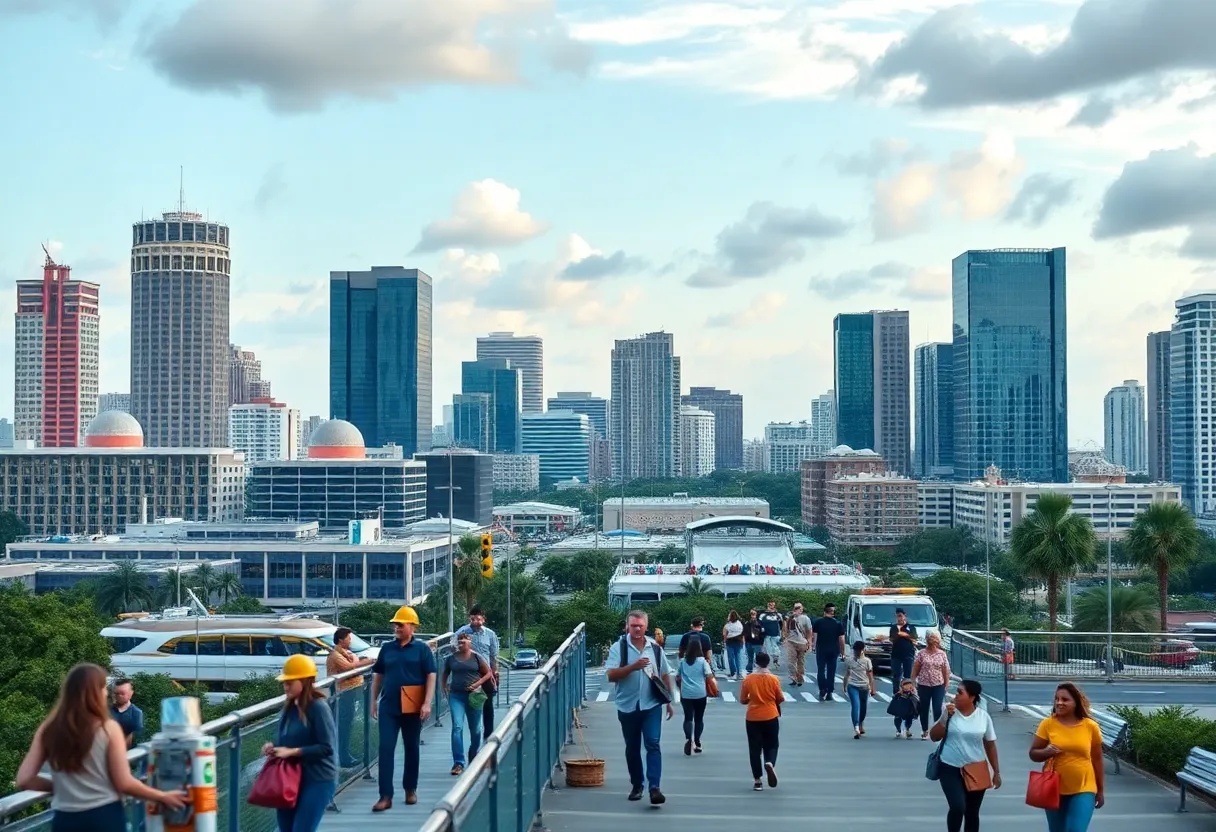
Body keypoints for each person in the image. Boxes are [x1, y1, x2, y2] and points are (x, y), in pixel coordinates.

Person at [17, 663, 186, 832]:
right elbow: (124, 783)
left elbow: (24, 779)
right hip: (103, 817)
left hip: (65, 819)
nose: (106, 693)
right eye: (104, 688)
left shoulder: (48, 729)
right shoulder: (108, 728)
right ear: (95, 692)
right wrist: (162, 796)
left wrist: (62, 786)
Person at [370, 605, 437, 811]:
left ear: (412, 627)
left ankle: (410, 789)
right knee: (386, 748)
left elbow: (431, 675)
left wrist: (427, 702)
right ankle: (385, 795)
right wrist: (373, 700)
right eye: (395, 625)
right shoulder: (387, 648)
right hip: (389, 706)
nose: (397, 628)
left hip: (412, 706)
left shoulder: (422, 649)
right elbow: (378, 674)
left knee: (411, 748)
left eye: (400, 624)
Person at [606, 610, 675, 805]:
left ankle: (655, 787)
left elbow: (664, 674)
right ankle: (637, 785)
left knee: (653, 743)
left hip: (651, 704)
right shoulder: (619, 648)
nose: (637, 629)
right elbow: (610, 675)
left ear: (646, 626)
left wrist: (668, 701)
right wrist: (632, 667)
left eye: (641, 626)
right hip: (627, 705)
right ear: (627, 626)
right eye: (633, 625)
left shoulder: (654, 648)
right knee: (633, 747)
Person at [263, 655, 339, 832]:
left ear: (305, 681)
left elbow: (326, 748)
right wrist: (273, 747)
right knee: (286, 828)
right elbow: (287, 740)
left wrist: (292, 752)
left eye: (290, 682)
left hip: (317, 779)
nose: (285, 686)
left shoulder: (318, 708)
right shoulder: (289, 707)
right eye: (285, 682)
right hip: (290, 779)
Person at [1029, 682, 1105, 832]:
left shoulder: (1090, 726)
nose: (1059, 703)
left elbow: (1097, 759)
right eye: (1057, 699)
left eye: (1065, 699)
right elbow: (1033, 753)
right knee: (1057, 829)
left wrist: (1100, 790)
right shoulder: (1048, 724)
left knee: (1075, 829)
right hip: (1053, 787)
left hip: (1084, 787)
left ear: (1076, 702)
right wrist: (1046, 752)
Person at [929, 679, 1001, 832]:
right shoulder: (950, 713)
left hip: (976, 768)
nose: (956, 696)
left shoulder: (983, 717)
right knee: (957, 807)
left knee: (972, 813)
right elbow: (934, 736)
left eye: (960, 693)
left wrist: (996, 772)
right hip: (950, 767)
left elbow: (990, 744)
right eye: (957, 692)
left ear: (972, 697)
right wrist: (945, 718)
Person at [441, 632, 494, 775]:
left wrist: (477, 683)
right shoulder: (451, 658)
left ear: (470, 641)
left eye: (463, 641)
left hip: (474, 695)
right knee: (457, 727)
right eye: (459, 641)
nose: (460, 643)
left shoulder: (476, 657)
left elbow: (488, 673)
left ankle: (474, 754)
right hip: (456, 695)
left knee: (475, 729)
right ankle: (458, 763)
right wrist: (444, 687)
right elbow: (445, 673)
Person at [325, 627, 375, 768]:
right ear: (341, 640)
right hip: (342, 694)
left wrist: (357, 661)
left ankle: (345, 755)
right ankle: (343, 758)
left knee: (347, 725)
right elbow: (349, 667)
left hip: (350, 693)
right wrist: (367, 661)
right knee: (343, 726)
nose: (350, 640)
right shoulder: (335, 655)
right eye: (348, 638)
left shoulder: (347, 653)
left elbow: (353, 663)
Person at [455, 606, 501, 741]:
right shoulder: (463, 632)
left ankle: (488, 736)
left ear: (483, 619)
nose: (476, 622)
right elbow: (452, 647)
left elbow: (493, 656)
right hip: (470, 674)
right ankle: (474, 736)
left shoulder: (490, 634)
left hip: (486, 673)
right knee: (472, 706)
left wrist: (495, 672)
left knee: (488, 705)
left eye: (478, 619)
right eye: (473, 619)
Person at [739, 651, 782, 792]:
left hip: (752, 717)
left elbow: (743, 699)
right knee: (772, 744)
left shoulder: (748, 679)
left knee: (754, 749)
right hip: (770, 715)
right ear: (768, 663)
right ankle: (769, 763)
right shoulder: (774, 679)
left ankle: (757, 781)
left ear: (756, 663)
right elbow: (780, 698)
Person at [675, 638, 713, 755]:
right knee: (699, 719)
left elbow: (677, 677)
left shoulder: (683, 662)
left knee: (688, 718)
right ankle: (697, 742)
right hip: (700, 693)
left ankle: (688, 739)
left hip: (686, 694)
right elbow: (709, 676)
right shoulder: (702, 662)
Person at [913, 631, 951, 739]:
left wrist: (946, 684)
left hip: (938, 684)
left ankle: (937, 730)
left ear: (938, 641)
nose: (932, 641)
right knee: (923, 708)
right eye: (930, 638)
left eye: (934, 639)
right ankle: (925, 730)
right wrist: (912, 681)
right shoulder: (921, 653)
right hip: (923, 684)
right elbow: (916, 668)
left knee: (937, 708)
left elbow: (946, 670)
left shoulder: (942, 654)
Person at [841, 640, 877, 738]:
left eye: (859, 650)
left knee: (863, 708)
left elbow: (870, 676)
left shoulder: (867, 661)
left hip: (864, 687)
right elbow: (847, 674)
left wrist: (873, 688)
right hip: (853, 686)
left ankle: (860, 723)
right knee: (856, 705)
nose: (857, 652)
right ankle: (856, 727)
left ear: (863, 650)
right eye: (856, 650)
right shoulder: (849, 660)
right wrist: (844, 685)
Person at [811, 602, 845, 701]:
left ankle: (822, 688)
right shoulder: (838, 624)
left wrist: (813, 647)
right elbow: (841, 640)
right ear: (833, 612)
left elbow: (815, 636)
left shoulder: (818, 622)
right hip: (834, 650)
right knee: (831, 671)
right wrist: (843, 653)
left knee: (821, 670)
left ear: (824, 612)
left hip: (821, 649)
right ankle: (829, 692)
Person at [888, 608, 919, 691]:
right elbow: (891, 639)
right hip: (896, 655)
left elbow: (914, 640)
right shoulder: (894, 628)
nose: (899, 618)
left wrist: (905, 635)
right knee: (896, 675)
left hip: (908, 654)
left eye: (900, 616)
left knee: (908, 676)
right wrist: (898, 634)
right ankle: (896, 693)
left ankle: (908, 692)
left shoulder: (911, 627)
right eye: (897, 616)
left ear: (905, 616)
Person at [782, 603, 812, 686]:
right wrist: (785, 639)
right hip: (791, 642)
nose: (799, 609)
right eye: (797, 608)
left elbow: (809, 631)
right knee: (791, 660)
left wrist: (809, 643)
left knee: (800, 661)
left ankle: (799, 677)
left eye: (800, 608)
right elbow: (786, 629)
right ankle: (793, 677)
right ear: (794, 609)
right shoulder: (790, 618)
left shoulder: (806, 618)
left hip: (802, 642)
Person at [109, 679, 144, 749]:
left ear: (131, 693)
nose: (118, 696)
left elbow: (135, 737)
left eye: (122, 693)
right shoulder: (106, 710)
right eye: (116, 693)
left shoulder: (136, 713)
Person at [758, 602, 784, 669]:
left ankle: (775, 660)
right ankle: (768, 663)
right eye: (770, 605)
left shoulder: (778, 615)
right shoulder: (762, 615)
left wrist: (783, 633)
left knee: (776, 649)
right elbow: (759, 624)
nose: (771, 606)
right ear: (767, 605)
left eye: (773, 605)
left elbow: (782, 624)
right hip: (767, 635)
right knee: (768, 649)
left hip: (776, 634)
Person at [723, 610, 745, 681]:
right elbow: (743, 633)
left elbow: (724, 634)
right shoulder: (740, 624)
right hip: (739, 642)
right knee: (738, 658)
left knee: (731, 658)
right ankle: (739, 673)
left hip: (730, 642)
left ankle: (733, 673)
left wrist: (725, 641)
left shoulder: (728, 625)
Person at [743, 610, 766, 674]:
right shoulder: (748, 623)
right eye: (751, 614)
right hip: (750, 643)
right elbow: (745, 632)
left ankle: (759, 670)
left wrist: (762, 641)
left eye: (754, 614)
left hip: (757, 643)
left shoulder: (760, 622)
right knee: (750, 657)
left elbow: (763, 632)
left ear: (756, 614)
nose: (753, 615)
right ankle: (750, 670)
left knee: (758, 657)